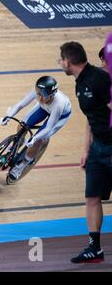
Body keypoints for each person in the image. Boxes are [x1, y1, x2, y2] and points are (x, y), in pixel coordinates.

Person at [59, 41, 112, 263]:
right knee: (92, 197)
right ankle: (95, 248)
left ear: (68, 61)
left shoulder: (99, 79)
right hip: (97, 148)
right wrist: (85, 149)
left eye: (60, 59)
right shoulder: (79, 83)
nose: (60, 63)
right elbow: (91, 118)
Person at [0, 76, 71, 181]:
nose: (40, 98)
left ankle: (22, 165)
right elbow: (20, 104)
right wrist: (8, 116)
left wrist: (35, 137)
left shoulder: (58, 104)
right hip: (44, 108)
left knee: (39, 139)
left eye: (44, 96)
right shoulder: (38, 92)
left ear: (52, 95)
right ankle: (17, 144)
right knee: (22, 125)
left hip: (59, 117)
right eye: (38, 94)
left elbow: (49, 127)